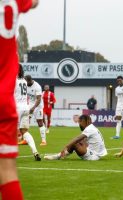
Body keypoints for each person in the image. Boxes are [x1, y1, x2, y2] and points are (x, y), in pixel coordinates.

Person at [0, 0, 38, 199]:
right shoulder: (11, 3)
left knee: (23, 133)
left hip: (16, 104)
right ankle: (36, 148)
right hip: (7, 104)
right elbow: (34, 3)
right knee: (7, 172)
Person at [15, 64, 41, 161]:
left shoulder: (13, 80)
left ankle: (10, 155)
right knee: (24, 131)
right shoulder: (24, 81)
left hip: (17, 108)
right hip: (26, 108)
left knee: (11, 131)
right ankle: (35, 151)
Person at [25, 75, 47, 146]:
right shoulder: (25, 85)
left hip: (38, 106)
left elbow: (39, 99)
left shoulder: (37, 86)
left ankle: (44, 141)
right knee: (26, 121)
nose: (26, 83)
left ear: (29, 80)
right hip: (30, 105)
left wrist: (33, 108)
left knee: (40, 122)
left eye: (26, 82)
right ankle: (25, 140)